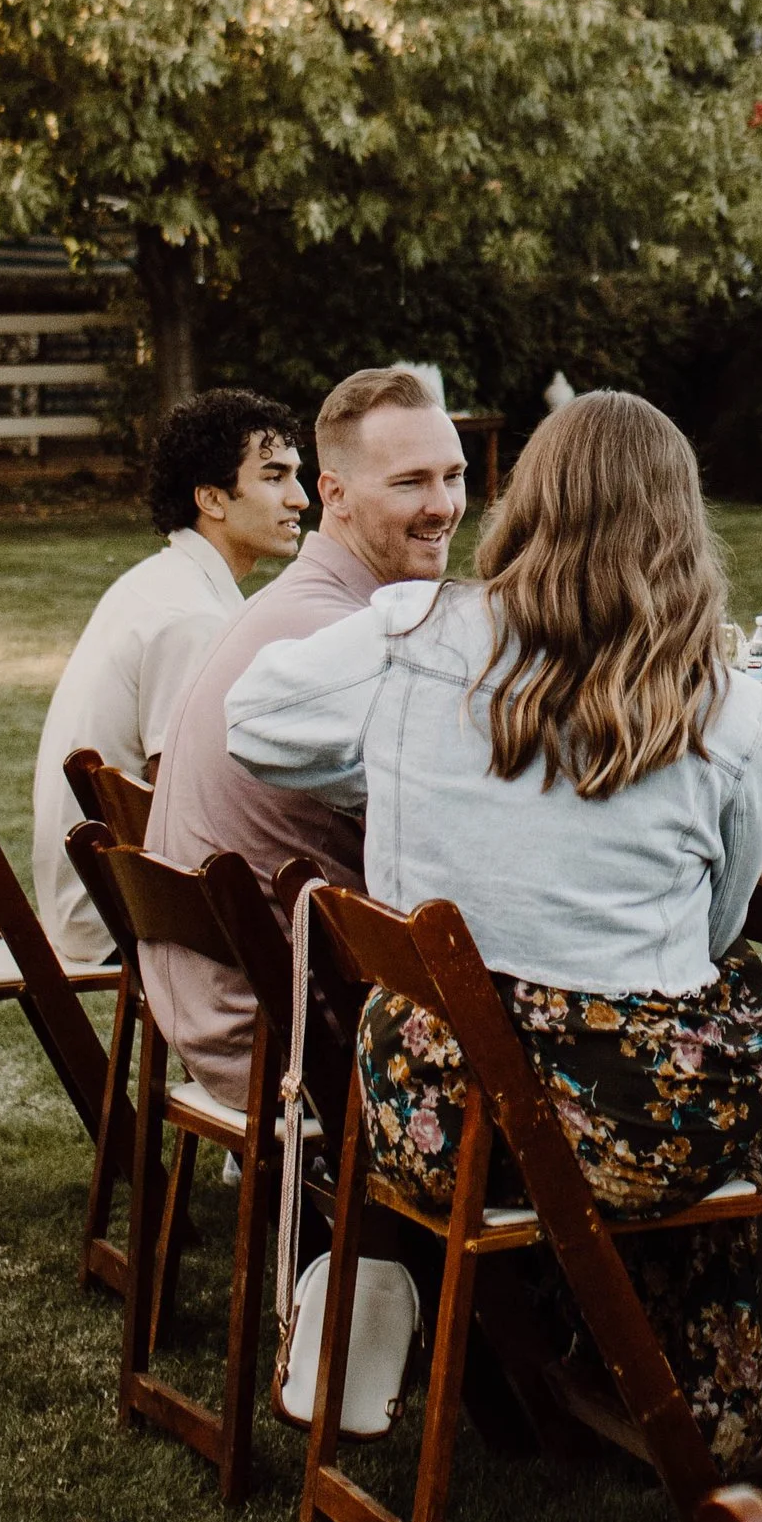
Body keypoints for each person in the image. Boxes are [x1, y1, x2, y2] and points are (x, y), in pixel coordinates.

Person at [225, 390, 762, 1476]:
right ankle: (691, 1398)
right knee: (721, 1001)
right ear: (679, 521)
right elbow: (722, 918)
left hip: (432, 1114)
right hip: (639, 1134)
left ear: (526, 503)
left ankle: (579, 1354)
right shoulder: (729, 705)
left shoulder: (411, 636)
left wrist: (396, 768)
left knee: (628, 1029)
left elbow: (251, 721)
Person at [140, 368, 472, 1107]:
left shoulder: (299, 609)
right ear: (335, 496)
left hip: (220, 1008)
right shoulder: (338, 640)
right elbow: (455, 849)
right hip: (282, 1036)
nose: (444, 506)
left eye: (454, 476)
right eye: (411, 482)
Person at [29, 389, 306, 963]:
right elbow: (182, 804)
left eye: (296, 477)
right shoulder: (191, 619)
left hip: (97, 890)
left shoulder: (165, 581)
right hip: (114, 912)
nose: (300, 499)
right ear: (211, 498)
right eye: (274, 477)